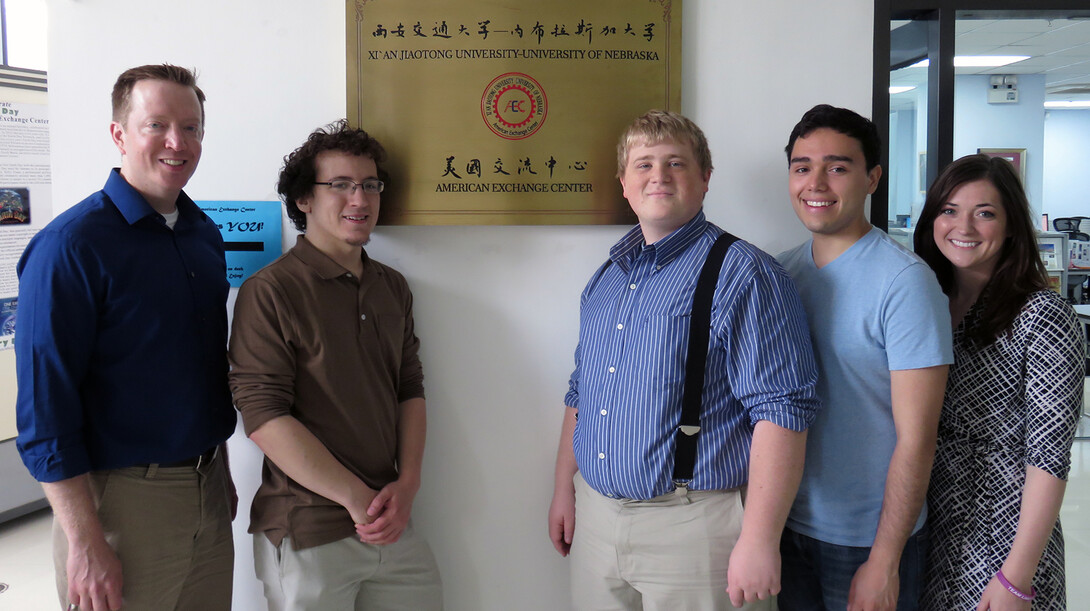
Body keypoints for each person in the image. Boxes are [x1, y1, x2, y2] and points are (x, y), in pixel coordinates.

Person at [547, 109, 820, 610]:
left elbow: (782, 411)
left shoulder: (745, 274)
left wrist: (760, 539)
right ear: (624, 184)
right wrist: (565, 486)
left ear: (705, 178)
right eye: (643, 164)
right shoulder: (606, 279)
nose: (659, 176)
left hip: (696, 529)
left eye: (676, 163)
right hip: (596, 520)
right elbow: (580, 390)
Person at [15, 64, 236, 611]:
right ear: (119, 133)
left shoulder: (202, 234)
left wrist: (220, 470)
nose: (176, 142)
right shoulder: (70, 247)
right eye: (156, 124)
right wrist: (85, 543)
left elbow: (202, 372)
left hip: (207, 492)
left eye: (191, 127)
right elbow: (45, 411)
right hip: (118, 504)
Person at [228, 120, 442, 611]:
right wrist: (355, 498)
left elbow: (410, 388)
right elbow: (262, 416)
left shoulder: (393, 287)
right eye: (340, 185)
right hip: (307, 531)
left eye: (370, 185)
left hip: (392, 523)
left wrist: (406, 486)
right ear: (304, 199)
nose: (360, 199)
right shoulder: (271, 291)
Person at [776, 104, 952, 611]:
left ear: (872, 178)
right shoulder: (779, 272)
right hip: (789, 526)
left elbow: (917, 440)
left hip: (865, 540)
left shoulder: (905, 283)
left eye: (838, 167)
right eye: (802, 166)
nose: (817, 183)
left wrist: (885, 560)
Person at [914, 154, 1082, 610]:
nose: (963, 227)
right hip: (934, 527)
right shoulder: (927, 302)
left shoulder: (1043, 317)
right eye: (949, 210)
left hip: (1005, 537)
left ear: (1010, 226)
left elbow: (1049, 458)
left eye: (984, 213)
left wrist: (1016, 579)